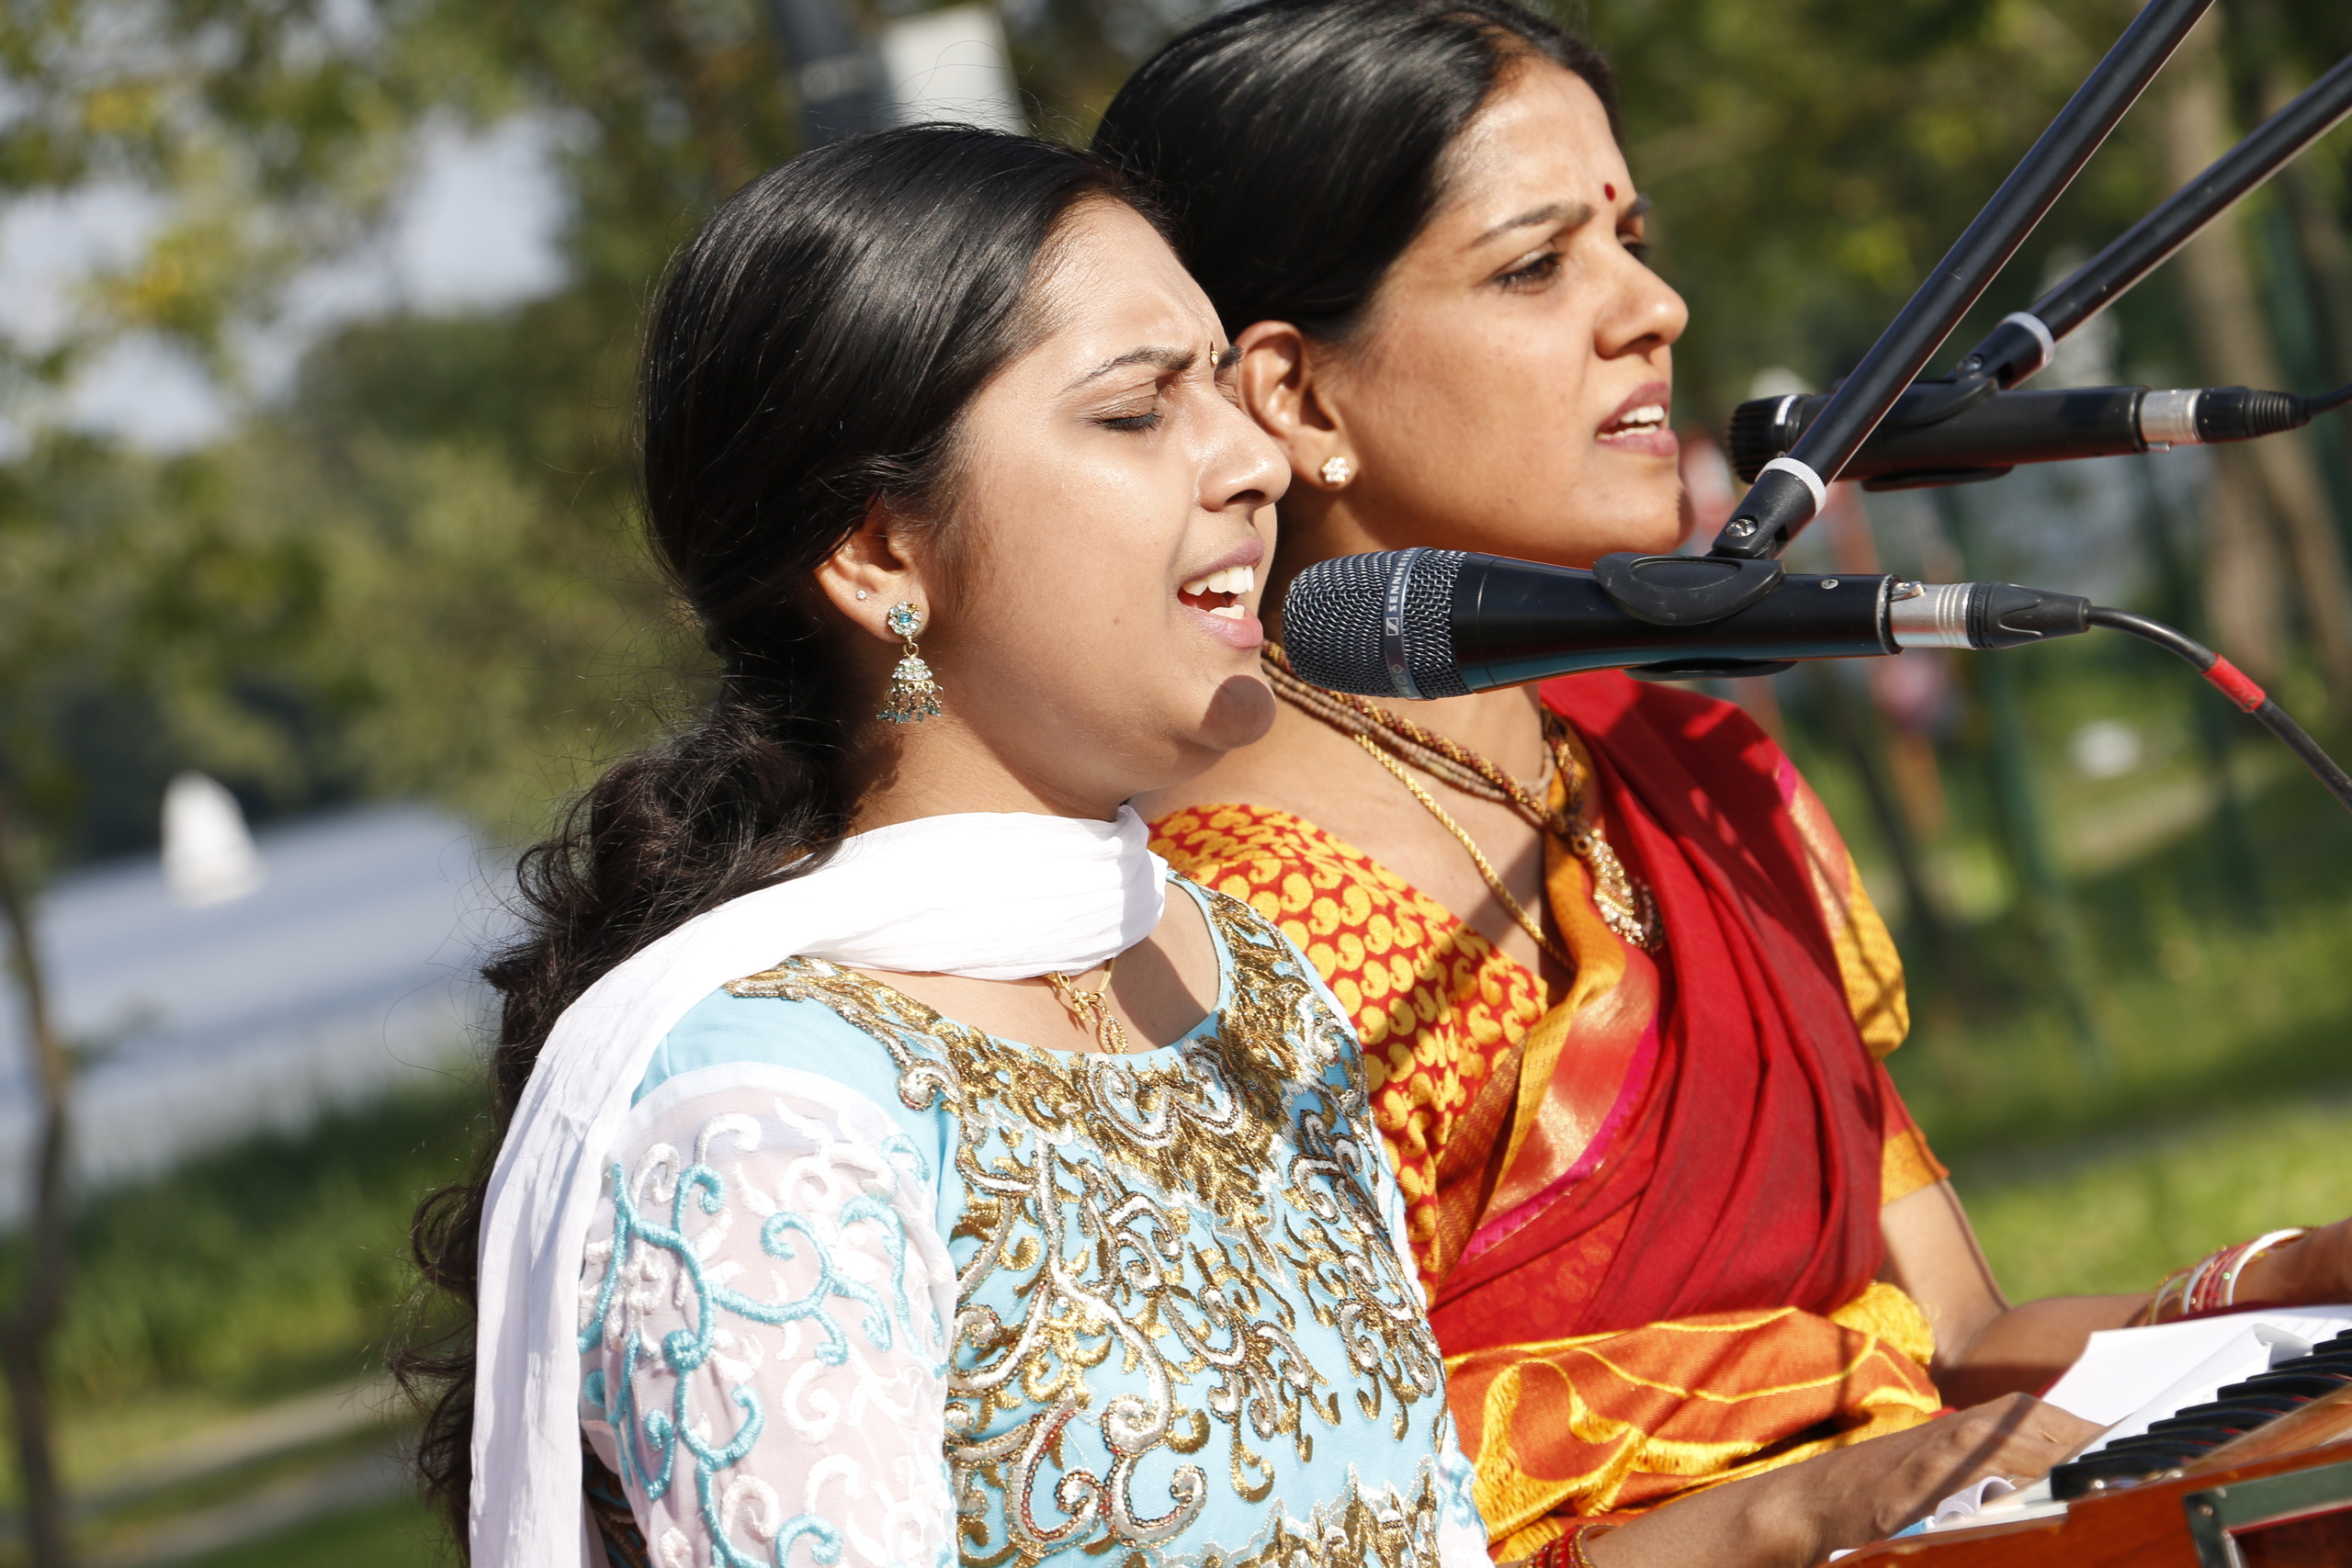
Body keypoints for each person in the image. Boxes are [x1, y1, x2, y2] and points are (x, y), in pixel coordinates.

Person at [1092, 1, 2352, 1562]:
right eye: (1537, 267)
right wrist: (1803, 1506)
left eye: (1631, 239)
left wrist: (2288, 1282)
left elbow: (1960, 1346)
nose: (1655, 308)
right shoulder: (1188, 928)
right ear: (1295, 398)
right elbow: (1316, 1526)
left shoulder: (1692, 766)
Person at [393, 125, 1506, 1568]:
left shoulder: (1244, 976)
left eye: (1227, 386)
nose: (1254, 457)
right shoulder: (761, 1117)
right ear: (880, 557)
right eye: (1138, 412)